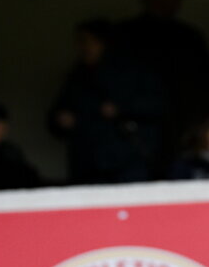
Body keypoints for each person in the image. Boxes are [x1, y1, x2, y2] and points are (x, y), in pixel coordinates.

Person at [116, 0, 209, 167]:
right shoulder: (126, 36)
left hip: (183, 135)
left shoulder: (189, 37)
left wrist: (200, 126)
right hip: (134, 140)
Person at [48, 19, 166, 184]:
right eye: (79, 42)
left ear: (104, 42)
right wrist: (61, 120)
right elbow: (59, 112)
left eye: (87, 41)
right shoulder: (77, 76)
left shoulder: (135, 71)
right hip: (87, 162)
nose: (82, 48)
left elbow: (158, 106)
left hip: (127, 159)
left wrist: (121, 108)